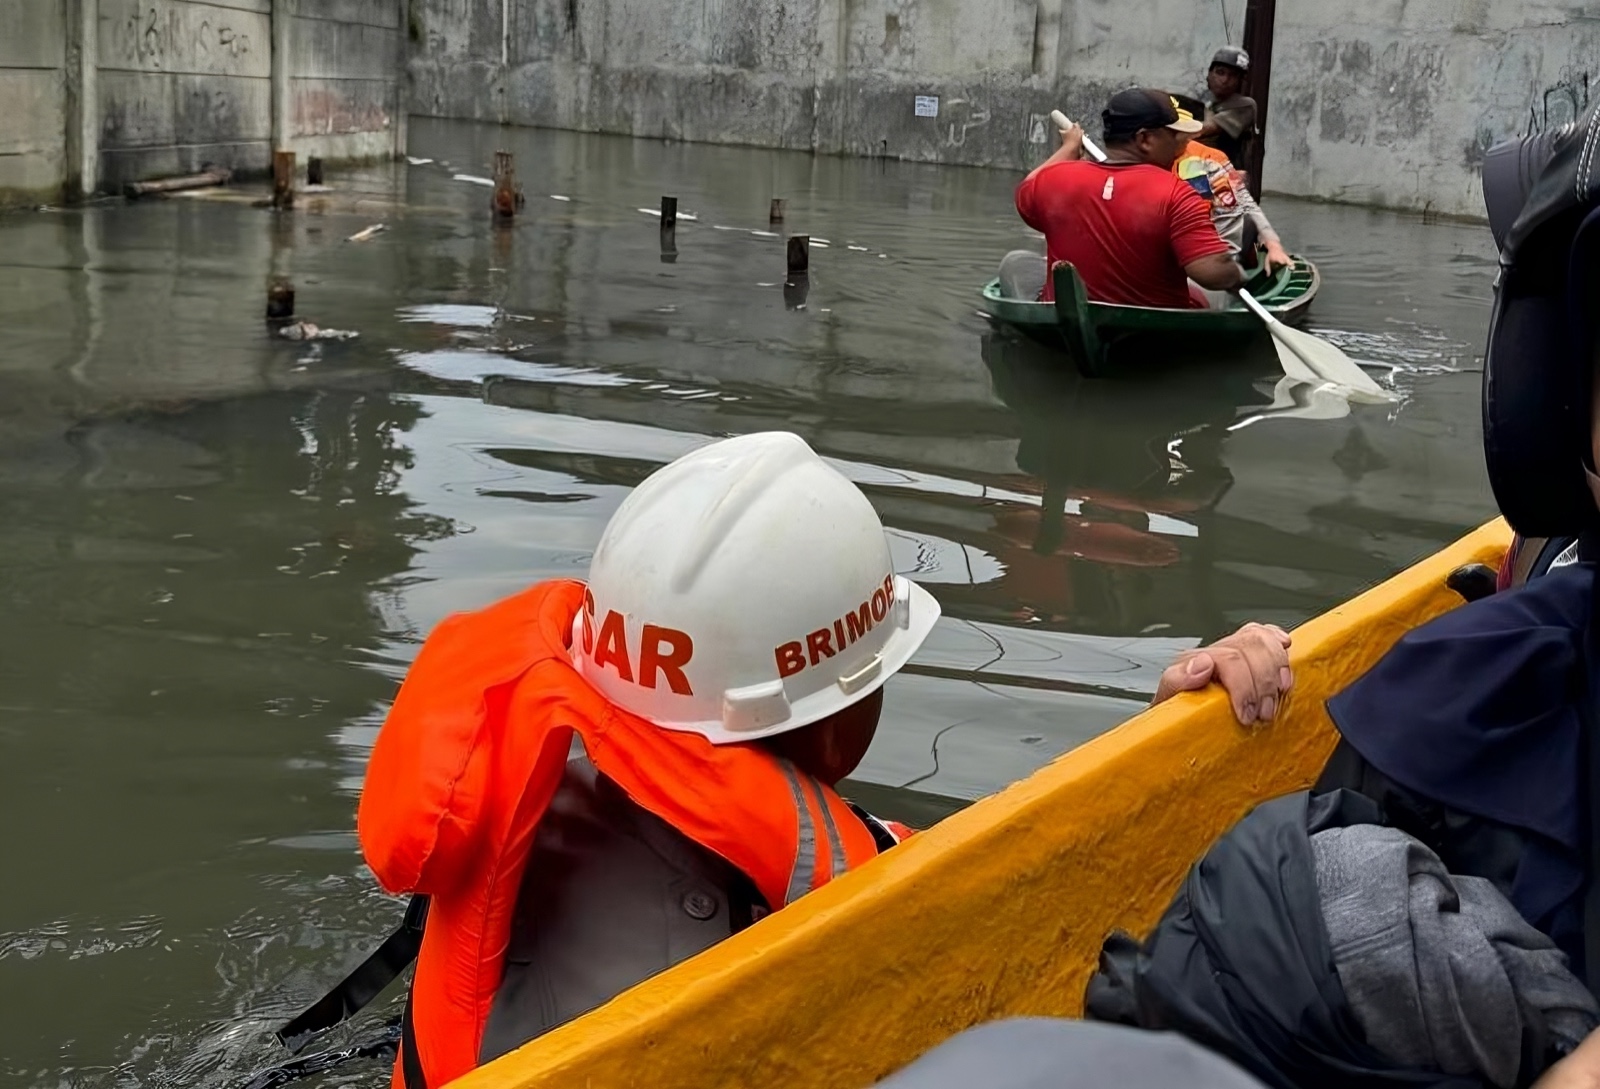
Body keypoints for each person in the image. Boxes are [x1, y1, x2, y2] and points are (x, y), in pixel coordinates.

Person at [306, 432, 1292, 1088]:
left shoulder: (530, 770)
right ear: (836, 717)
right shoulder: (723, 960)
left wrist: (1158, 746)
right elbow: (1002, 933)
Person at [1000, 88, 1244, 308]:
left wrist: (1069, 148)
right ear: (1145, 139)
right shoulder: (1178, 194)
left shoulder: (1052, 179)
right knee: (1216, 292)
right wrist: (1237, 276)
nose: (1182, 144)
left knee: (1015, 262)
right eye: (1175, 136)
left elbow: (1027, 187)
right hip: (1155, 320)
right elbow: (1212, 273)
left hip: (1069, 308)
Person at [1168, 97, 1292, 273]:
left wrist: (1274, 245)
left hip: (1205, 249)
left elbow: (1246, 204)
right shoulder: (1140, 161)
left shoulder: (1210, 158)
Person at [1198, 47, 1258, 173]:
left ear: (1240, 81)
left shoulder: (1245, 105)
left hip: (1227, 178)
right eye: (1220, 72)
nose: (1225, 80)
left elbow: (1207, 129)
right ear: (1209, 74)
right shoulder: (1204, 99)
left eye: (1233, 76)